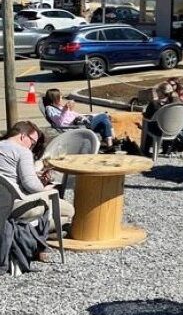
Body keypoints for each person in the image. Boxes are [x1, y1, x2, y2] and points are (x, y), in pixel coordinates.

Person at [0, 121, 75, 270]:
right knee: (69, 212)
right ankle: (38, 241)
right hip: (19, 202)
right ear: (22, 136)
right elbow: (30, 185)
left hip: (5, 197)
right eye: (32, 142)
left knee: (61, 213)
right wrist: (45, 187)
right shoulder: (22, 151)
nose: (32, 147)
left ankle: (34, 235)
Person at [43, 89, 116, 152]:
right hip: (76, 127)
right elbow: (60, 123)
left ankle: (110, 145)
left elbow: (72, 114)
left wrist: (81, 115)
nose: (62, 99)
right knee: (104, 115)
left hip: (81, 122)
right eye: (60, 98)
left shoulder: (60, 106)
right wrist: (65, 110)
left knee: (104, 122)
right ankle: (114, 139)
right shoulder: (50, 109)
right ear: (55, 99)